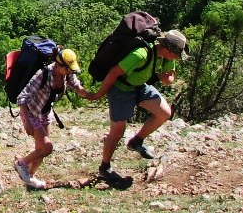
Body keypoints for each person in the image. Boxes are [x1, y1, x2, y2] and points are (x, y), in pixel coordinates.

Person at [76, 29, 187, 182]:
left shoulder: (167, 57)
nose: (177, 58)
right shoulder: (141, 54)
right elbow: (114, 72)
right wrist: (99, 94)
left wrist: (166, 77)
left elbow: (169, 79)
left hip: (139, 86)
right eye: (176, 55)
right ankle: (105, 167)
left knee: (165, 113)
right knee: (117, 132)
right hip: (120, 89)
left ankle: (136, 141)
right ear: (168, 49)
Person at [13, 48, 81, 190]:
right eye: (68, 69)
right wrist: (26, 121)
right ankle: (21, 164)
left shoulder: (66, 75)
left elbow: (77, 87)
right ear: (59, 65)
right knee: (47, 147)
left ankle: (29, 179)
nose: (71, 72)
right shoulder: (43, 74)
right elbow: (22, 97)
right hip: (32, 113)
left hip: (45, 113)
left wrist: (96, 95)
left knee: (41, 151)